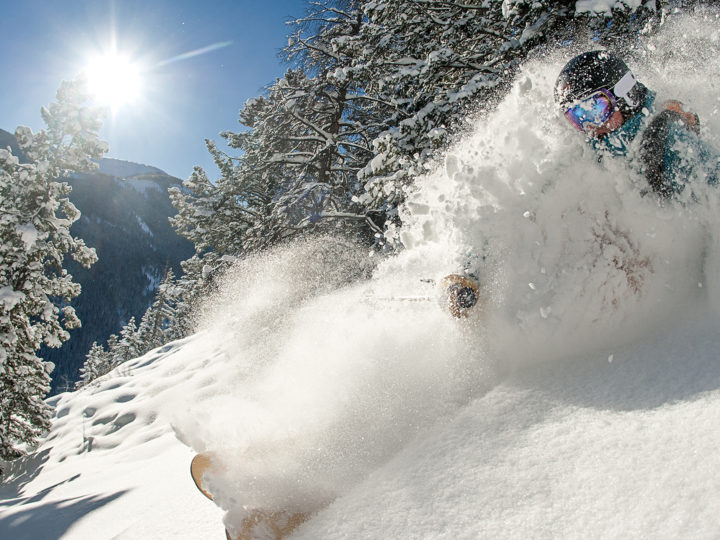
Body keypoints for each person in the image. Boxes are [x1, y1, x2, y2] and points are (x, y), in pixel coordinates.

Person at [555, 50, 720, 199]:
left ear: (626, 97)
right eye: (576, 118)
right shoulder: (591, 149)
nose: (589, 126)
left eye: (594, 109)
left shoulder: (671, 145)